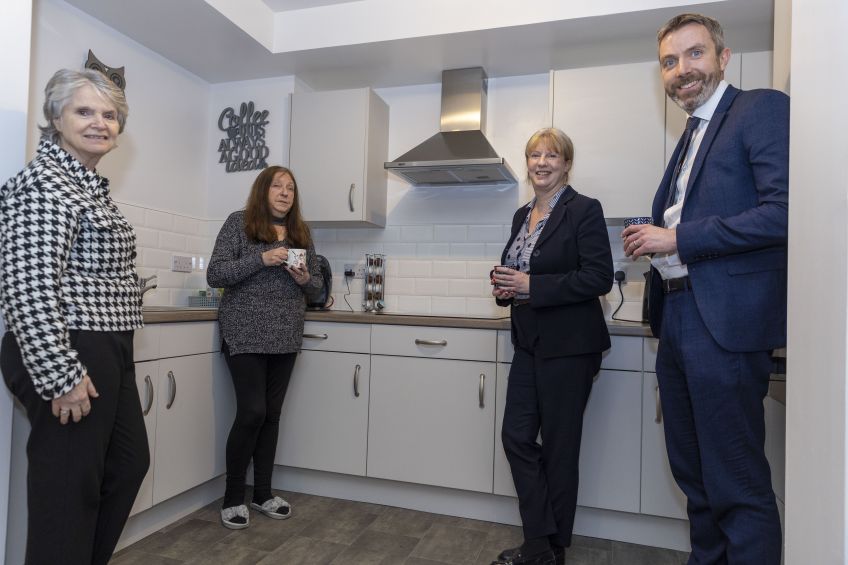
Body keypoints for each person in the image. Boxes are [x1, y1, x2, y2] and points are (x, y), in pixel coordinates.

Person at [622, 13, 788, 564]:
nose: (681, 70)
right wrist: (657, 243)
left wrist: (676, 238)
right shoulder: (690, 136)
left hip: (725, 322)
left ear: (723, 57)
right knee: (694, 479)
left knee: (737, 484)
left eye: (694, 54)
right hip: (677, 318)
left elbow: (784, 213)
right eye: (669, 61)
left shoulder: (758, 108)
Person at [0, 69, 149, 564]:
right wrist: (59, 373)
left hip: (106, 344)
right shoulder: (45, 185)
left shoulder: (84, 185)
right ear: (56, 117)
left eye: (110, 115)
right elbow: (27, 284)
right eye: (84, 111)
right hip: (68, 346)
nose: (99, 123)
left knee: (126, 465)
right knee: (67, 493)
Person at [491, 128, 613, 565]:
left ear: (566, 163)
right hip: (529, 343)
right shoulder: (521, 214)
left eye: (552, 155)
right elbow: (517, 271)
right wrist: (506, 287)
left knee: (561, 448)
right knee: (516, 438)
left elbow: (598, 277)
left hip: (570, 347)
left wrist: (531, 284)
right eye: (534, 155)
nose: (542, 162)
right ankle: (542, 542)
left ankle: (548, 549)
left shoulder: (584, 210)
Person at [207, 165, 323, 529]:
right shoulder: (239, 223)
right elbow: (216, 274)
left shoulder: (301, 232)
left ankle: (263, 494)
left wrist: (306, 278)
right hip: (244, 332)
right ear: (263, 190)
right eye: (278, 186)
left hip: (286, 334)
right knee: (252, 413)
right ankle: (232, 497)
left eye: (291, 188)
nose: (285, 193)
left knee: (272, 415)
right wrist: (262, 258)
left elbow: (317, 287)